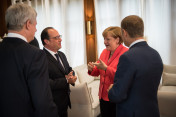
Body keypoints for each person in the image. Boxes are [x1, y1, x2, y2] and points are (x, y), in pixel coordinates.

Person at [0, 4, 58, 117]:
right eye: (35, 25)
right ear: (28, 24)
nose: (36, 29)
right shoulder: (35, 55)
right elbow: (42, 102)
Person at [108, 15, 163, 117]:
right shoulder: (156, 54)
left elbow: (117, 95)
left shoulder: (127, 57)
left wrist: (112, 90)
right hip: (152, 112)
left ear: (124, 33)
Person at [88, 26, 128, 117]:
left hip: (117, 96)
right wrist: (91, 69)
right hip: (102, 95)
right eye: (104, 39)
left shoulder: (126, 53)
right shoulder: (104, 52)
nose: (105, 42)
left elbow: (124, 77)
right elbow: (97, 71)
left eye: (108, 39)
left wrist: (106, 68)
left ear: (117, 39)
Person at [41, 27, 77, 117]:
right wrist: (67, 80)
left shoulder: (61, 54)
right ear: (46, 41)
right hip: (51, 104)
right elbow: (46, 82)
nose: (60, 39)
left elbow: (69, 69)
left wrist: (72, 76)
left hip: (64, 102)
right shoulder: (41, 58)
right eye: (56, 38)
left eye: (59, 36)